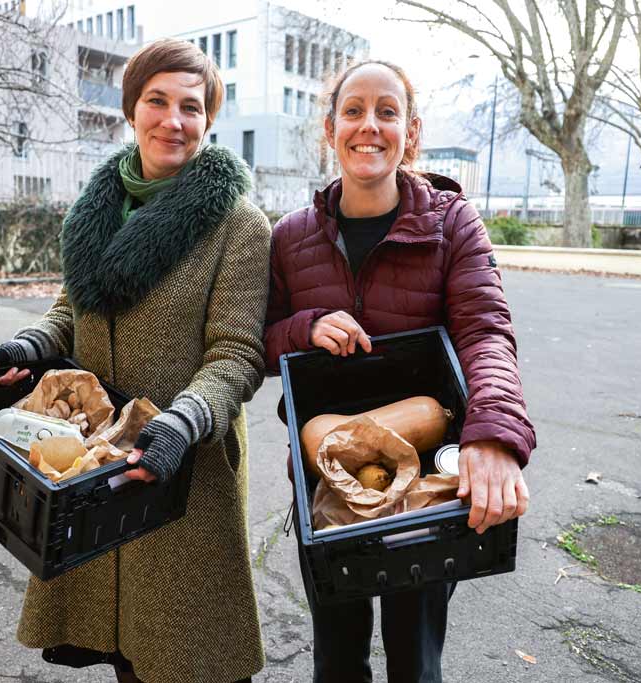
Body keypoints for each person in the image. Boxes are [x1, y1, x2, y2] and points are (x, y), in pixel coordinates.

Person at [0, 39, 270, 683]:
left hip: (183, 467)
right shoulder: (94, 211)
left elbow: (237, 354)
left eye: (190, 107)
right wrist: (29, 346)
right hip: (89, 457)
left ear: (209, 120)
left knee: (185, 655)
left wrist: (180, 423)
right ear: (130, 110)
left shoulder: (239, 225)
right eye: (157, 101)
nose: (173, 119)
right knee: (125, 655)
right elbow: (69, 312)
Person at [262, 60, 536, 683]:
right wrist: (303, 329)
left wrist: (492, 435)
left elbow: (486, 332)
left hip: (426, 487)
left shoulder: (452, 223)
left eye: (387, 112)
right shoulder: (288, 237)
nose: (370, 126)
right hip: (325, 477)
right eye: (354, 111)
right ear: (330, 129)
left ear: (410, 133)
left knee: (416, 659)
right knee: (336, 659)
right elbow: (257, 344)